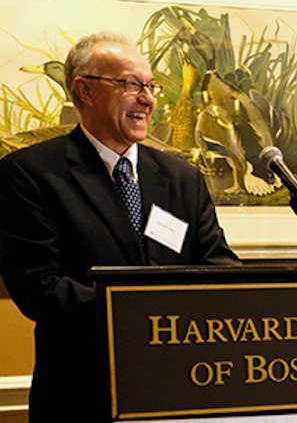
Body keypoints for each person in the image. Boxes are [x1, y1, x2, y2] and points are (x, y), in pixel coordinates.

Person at [0, 32, 241, 422]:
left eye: (150, 86)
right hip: (84, 395)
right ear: (85, 90)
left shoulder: (183, 178)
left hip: (181, 390)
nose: (147, 99)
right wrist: (147, 319)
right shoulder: (31, 174)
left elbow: (220, 266)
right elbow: (40, 286)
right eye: (131, 85)